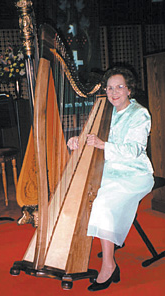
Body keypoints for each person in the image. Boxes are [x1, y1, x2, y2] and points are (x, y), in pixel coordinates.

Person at [67, 65, 154, 292]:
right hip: (108, 171)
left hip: (135, 173)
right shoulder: (105, 110)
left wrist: (103, 145)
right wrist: (77, 139)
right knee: (84, 194)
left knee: (102, 202)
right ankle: (104, 240)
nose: (114, 92)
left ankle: (109, 264)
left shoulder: (139, 114)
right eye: (110, 88)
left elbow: (135, 149)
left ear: (129, 90)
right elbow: (91, 135)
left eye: (119, 87)